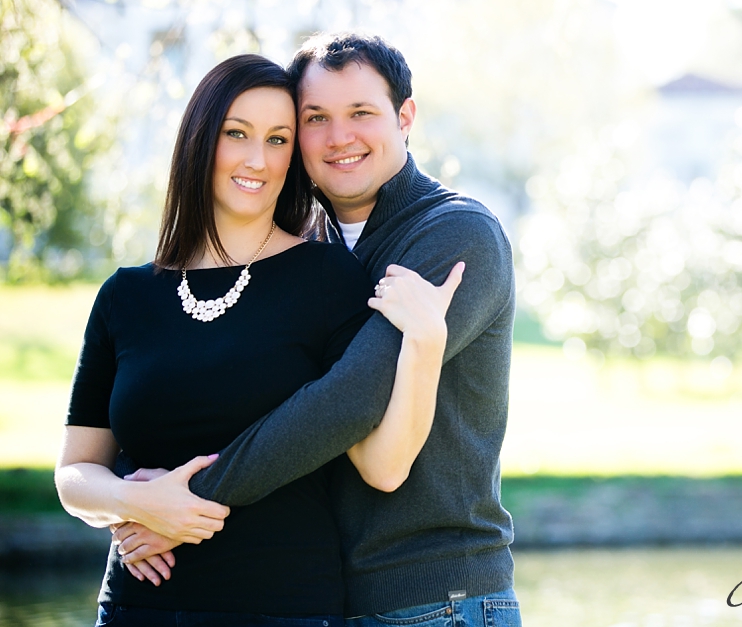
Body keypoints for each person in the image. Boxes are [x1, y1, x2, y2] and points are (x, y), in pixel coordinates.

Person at [123, 32, 523, 626]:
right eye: (316, 118)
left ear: (404, 117)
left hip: (439, 596)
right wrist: (133, 495)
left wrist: (184, 504)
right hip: (327, 596)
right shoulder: (307, 250)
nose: (339, 138)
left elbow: (347, 399)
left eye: (361, 112)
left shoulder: (456, 235)